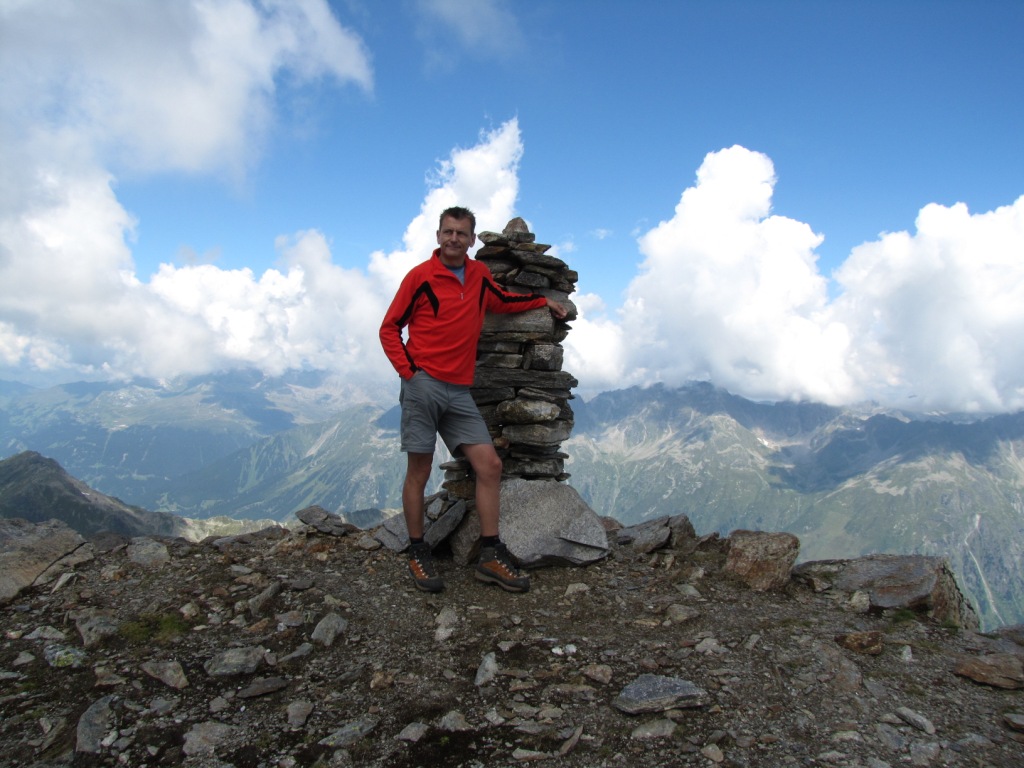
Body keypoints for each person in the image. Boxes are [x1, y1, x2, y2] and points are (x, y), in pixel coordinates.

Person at [379, 206, 568, 593]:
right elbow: (389, 328)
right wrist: (410, 374)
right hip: (424, 384)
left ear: (470, 239)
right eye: (448, 232)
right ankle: (418, 552)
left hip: (458, 389)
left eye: (461, 234)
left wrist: (541, 303)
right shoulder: (420, 277)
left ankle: (489, 555)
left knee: (490, 465)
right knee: (419, 469)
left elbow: (502, 301)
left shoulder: (479, 275)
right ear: (438, 236)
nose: (453, 239)